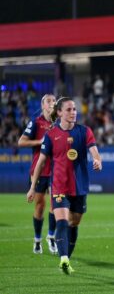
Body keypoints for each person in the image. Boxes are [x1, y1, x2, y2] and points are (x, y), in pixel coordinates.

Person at [27, 97, 102, 274]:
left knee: (73, 223)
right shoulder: (51, 135)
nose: (73, 112)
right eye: (68, 109)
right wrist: (32, 187)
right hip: (59, 186)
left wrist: (98, 160)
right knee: (61, 222)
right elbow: (41, 162)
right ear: (59, 112)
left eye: (74, 109)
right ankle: (64, 259)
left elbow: (94, 151)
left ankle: (67, 256)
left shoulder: (84, 131)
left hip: (80, 186)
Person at [18, 94, 58, 255]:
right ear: (42, 105)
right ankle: (37, 240)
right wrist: (40, 142)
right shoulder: (36, 123)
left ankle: (51, 236)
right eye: (49, 101)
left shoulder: (60, 124)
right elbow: (21, 142)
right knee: (40, 205)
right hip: (39, 170)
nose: (52, 103)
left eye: (54, 101)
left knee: (56, 204)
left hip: (56, 170)